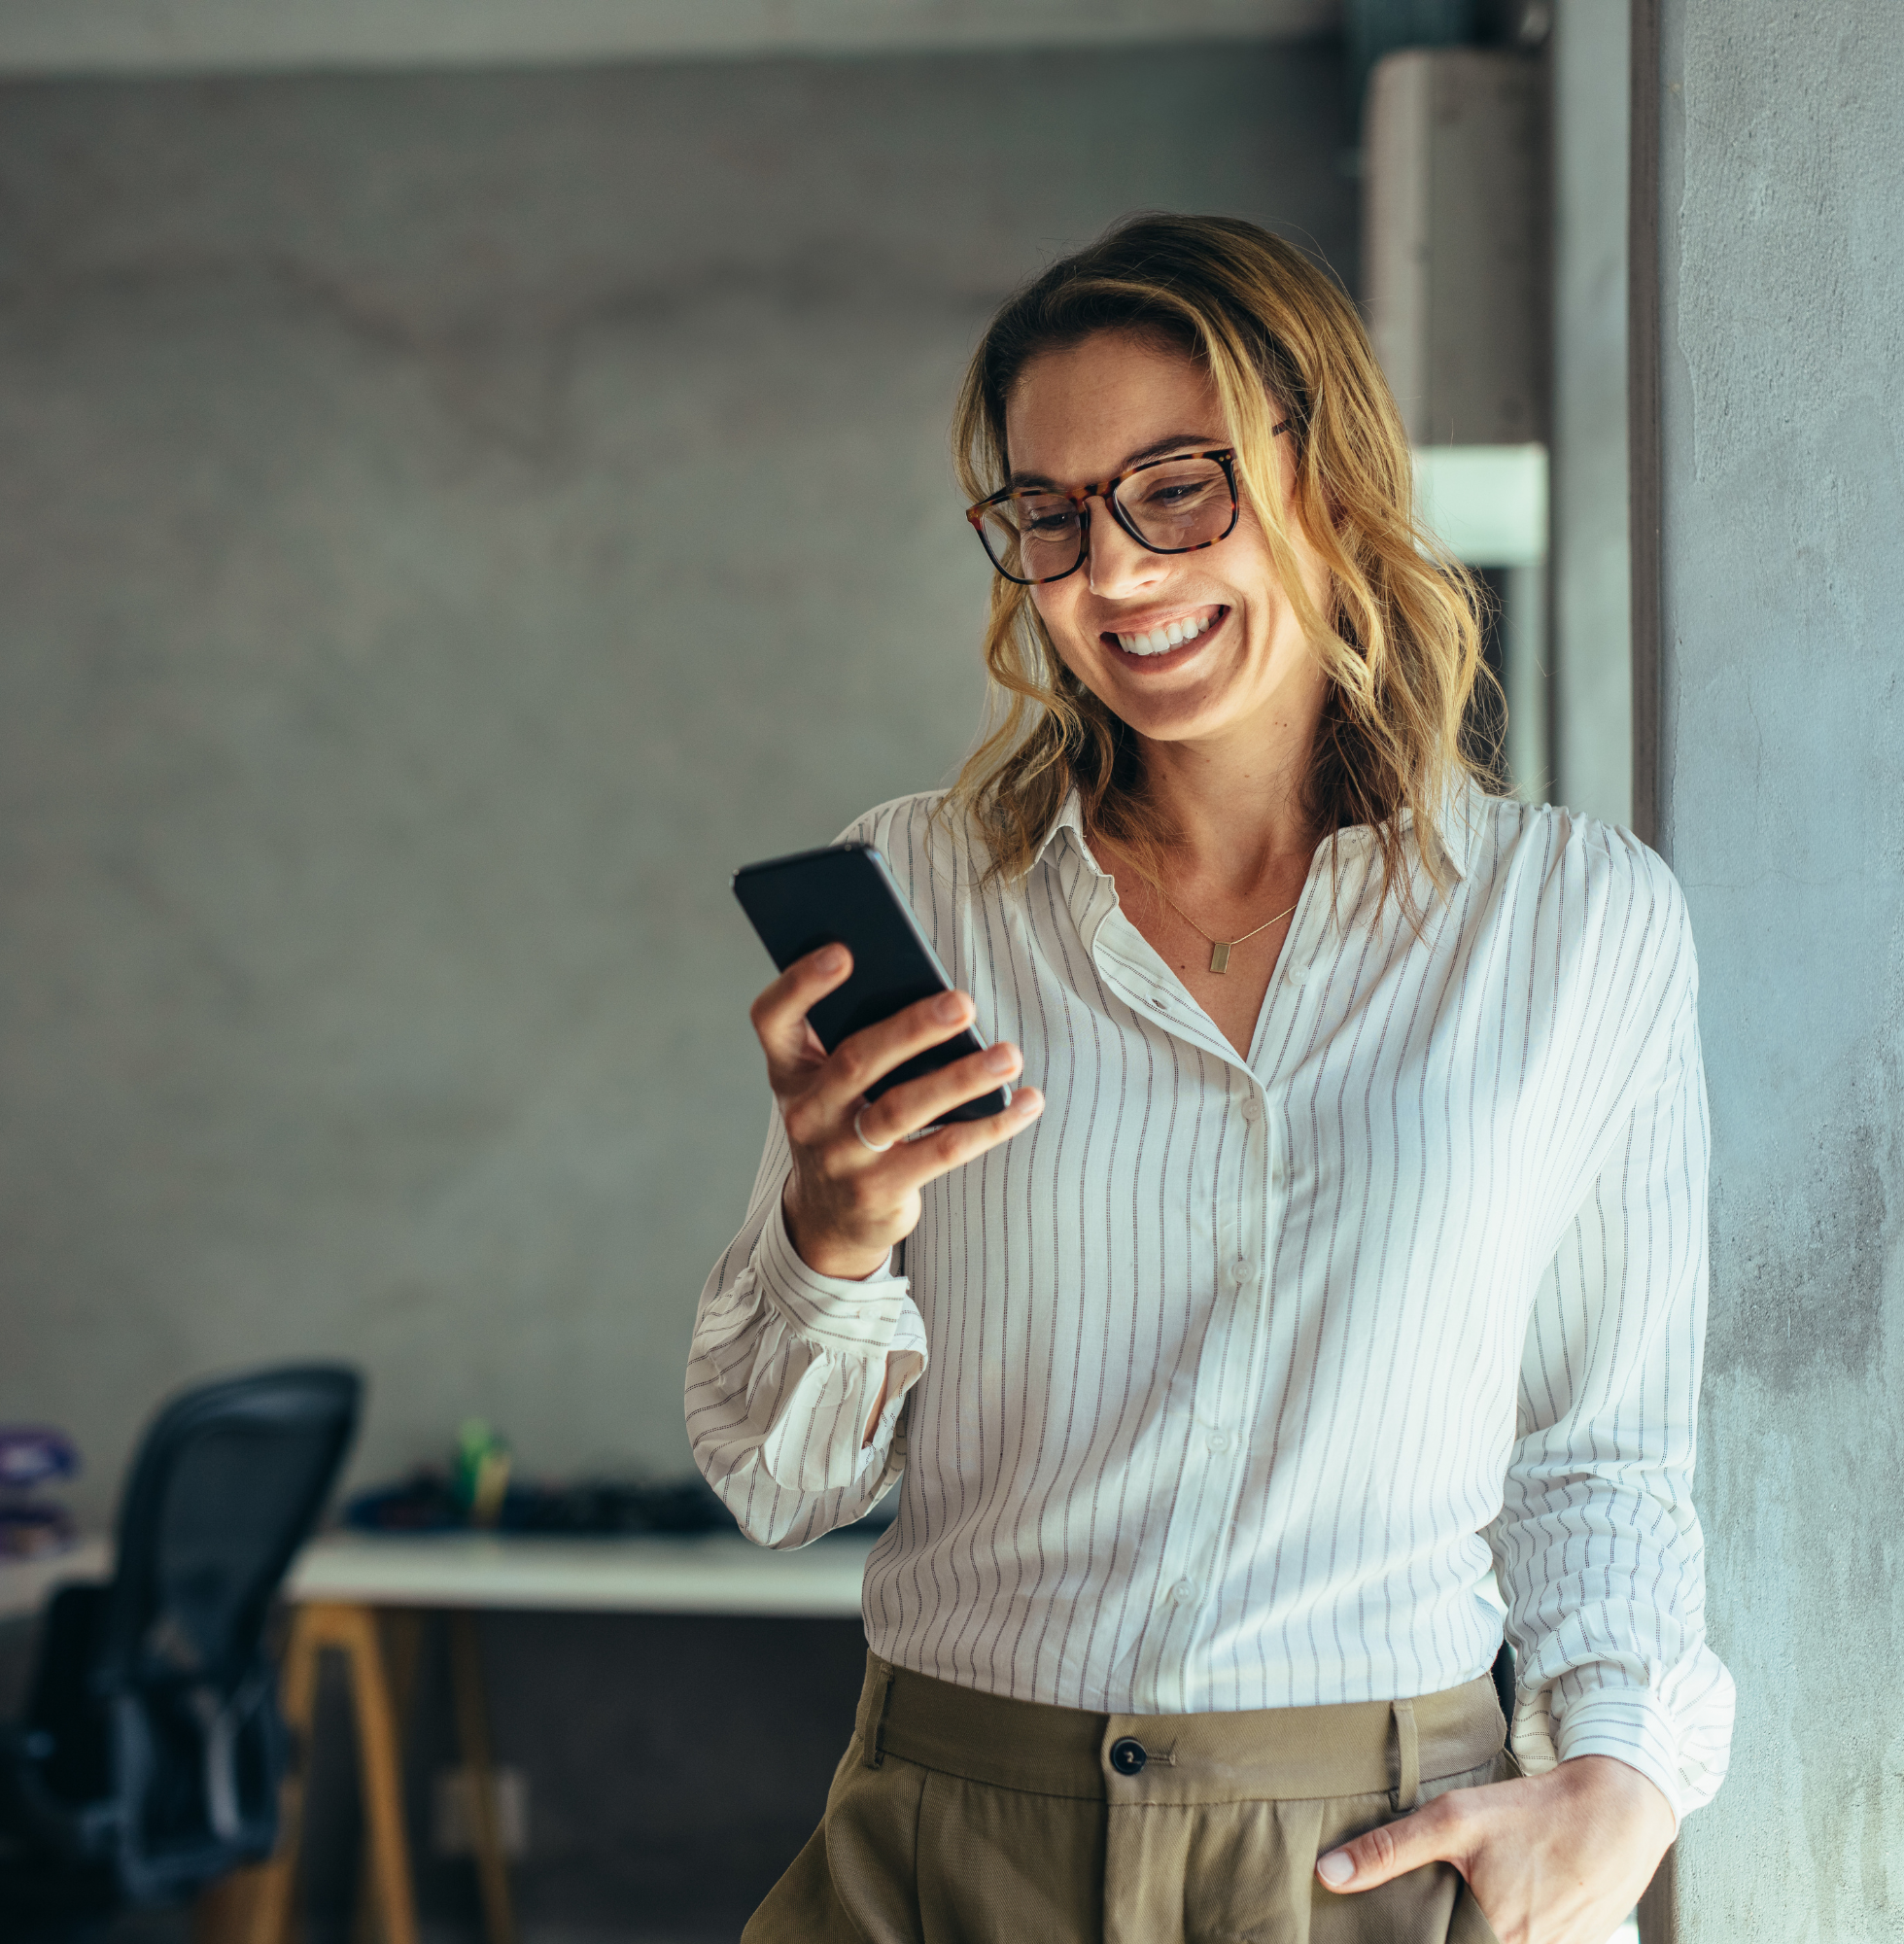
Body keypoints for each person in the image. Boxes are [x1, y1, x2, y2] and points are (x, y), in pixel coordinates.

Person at [686, 214, 1728, 1944]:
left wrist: (1623, 1782)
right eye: (1051, 516)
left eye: (1180, 487)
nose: (1112, 576)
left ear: (1331, 477)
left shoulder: (1576, 924)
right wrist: (832, 1235)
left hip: (1368, 1857)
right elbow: (777, 1482)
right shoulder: (930, 895)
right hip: (948, 1839)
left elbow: (1601, 1452)